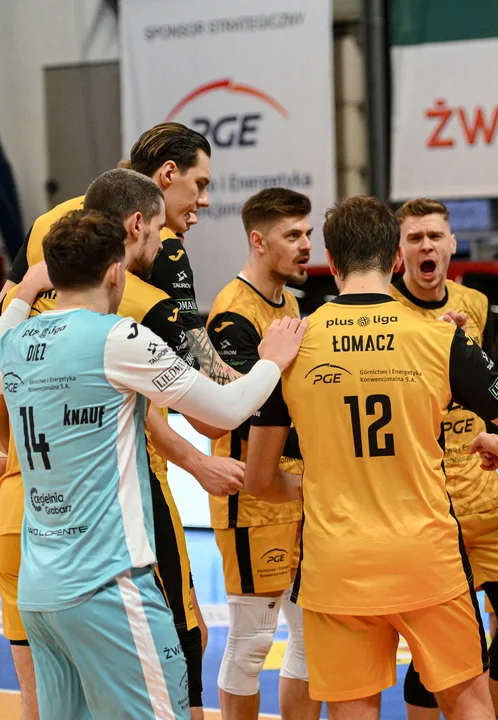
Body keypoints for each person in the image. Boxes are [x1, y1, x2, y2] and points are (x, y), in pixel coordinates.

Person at [0, 208, 306, 720]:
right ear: (115, 272)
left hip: (41, 590)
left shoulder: (14, 343)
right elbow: (226, 410)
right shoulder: (117, 337)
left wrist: (24, 291)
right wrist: (272, 361)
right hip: (109, 583)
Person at [243, 195, 498, 720]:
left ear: (332, 262)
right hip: (427, 560)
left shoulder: (290, 345)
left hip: (336, 564)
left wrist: (318, 485)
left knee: (352, 711)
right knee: (469, 705)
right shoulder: (441, 338)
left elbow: (259, 480)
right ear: (394, 258)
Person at [392, 198, 498, 717]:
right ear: (399, 251)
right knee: (441, 648)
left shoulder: (474, 304)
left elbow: (495, 401)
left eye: (435, 236)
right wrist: (437, 348)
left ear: (452, 244)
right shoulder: (387, 312)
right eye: (415, 238)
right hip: (429, 505)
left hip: (488, 498)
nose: (426, 246)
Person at [204, 188, 320, 720]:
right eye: (292, 235)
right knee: (252, 642)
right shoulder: (233, 312)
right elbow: (234, 409)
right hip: (250, 496)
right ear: (258, 240)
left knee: (307, 635)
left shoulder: (287, 303)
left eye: (308, 234)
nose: (305, 245)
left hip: (292, 487)